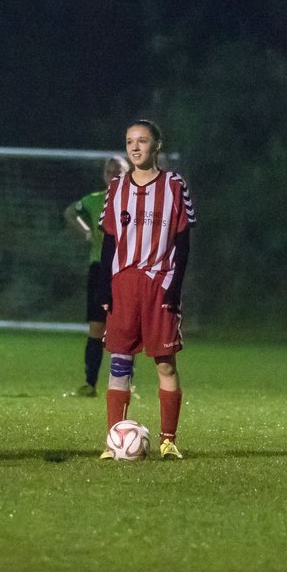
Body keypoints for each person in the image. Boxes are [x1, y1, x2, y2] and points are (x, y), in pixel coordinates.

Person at [97, 118, 195, 460]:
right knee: (119, 364)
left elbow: (183, 242)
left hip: (159, 283)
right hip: (123, 284)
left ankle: (168, 440)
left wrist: (175, 288)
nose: (135, 148)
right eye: (129, 142)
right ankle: (113, 442)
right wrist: (104, 290)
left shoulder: (174, 186)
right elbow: (108, 242)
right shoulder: (116, 188)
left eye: (141, 141)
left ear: (156, 146)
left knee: (165, 364)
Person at [62, 155, 130, 398]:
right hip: (100, 269)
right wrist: (87, 232)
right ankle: (90, 384)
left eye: (118, 170)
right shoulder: (93, 201)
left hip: (126, 271)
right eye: (109, 170)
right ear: (104, 174)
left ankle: (123, 385)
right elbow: (71, 211)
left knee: (123, 329)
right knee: (97, 327)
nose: (112, 173)